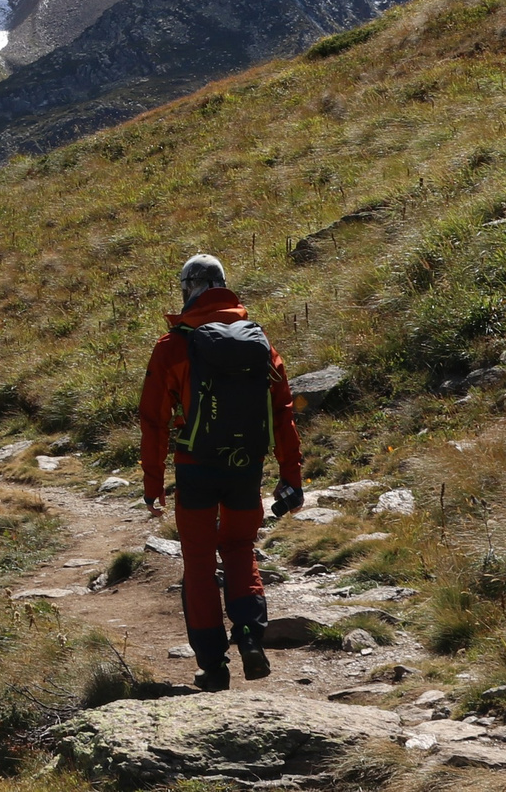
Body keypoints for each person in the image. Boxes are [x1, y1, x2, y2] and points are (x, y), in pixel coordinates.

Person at [137, 252, 306, 691]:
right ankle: (250, 635)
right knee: (239, 549)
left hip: (195, 470)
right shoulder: (260, 343)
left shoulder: (172, 346)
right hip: (245, 468)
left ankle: (213, 665)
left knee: (197, 562)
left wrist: (152, 484)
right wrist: (292, 476)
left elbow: (154, 420)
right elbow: (283, 412)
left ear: (187, 290)